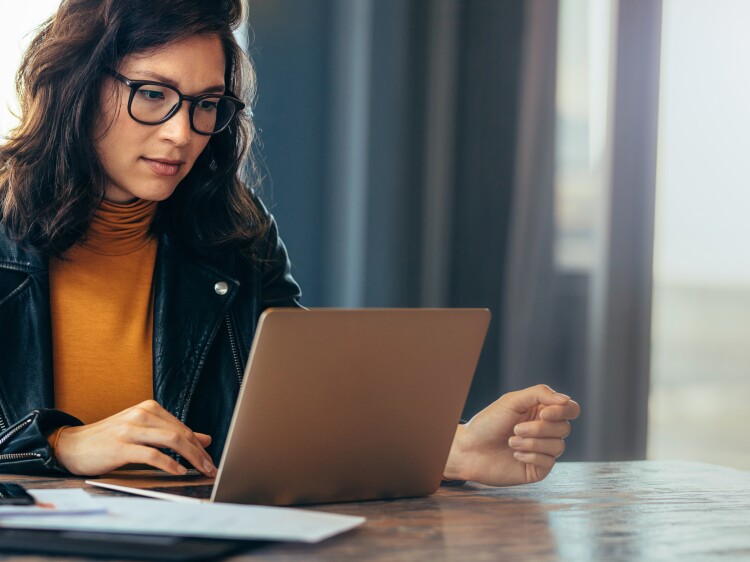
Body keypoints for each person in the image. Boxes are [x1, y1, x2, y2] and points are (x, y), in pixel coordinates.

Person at [0, 0, 580, 487]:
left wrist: (452, 449)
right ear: (78, 85)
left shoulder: (234, 235)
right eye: (153, 94)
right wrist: (62, 443)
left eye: (206, 105)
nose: (182, 133)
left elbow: (300, 416)